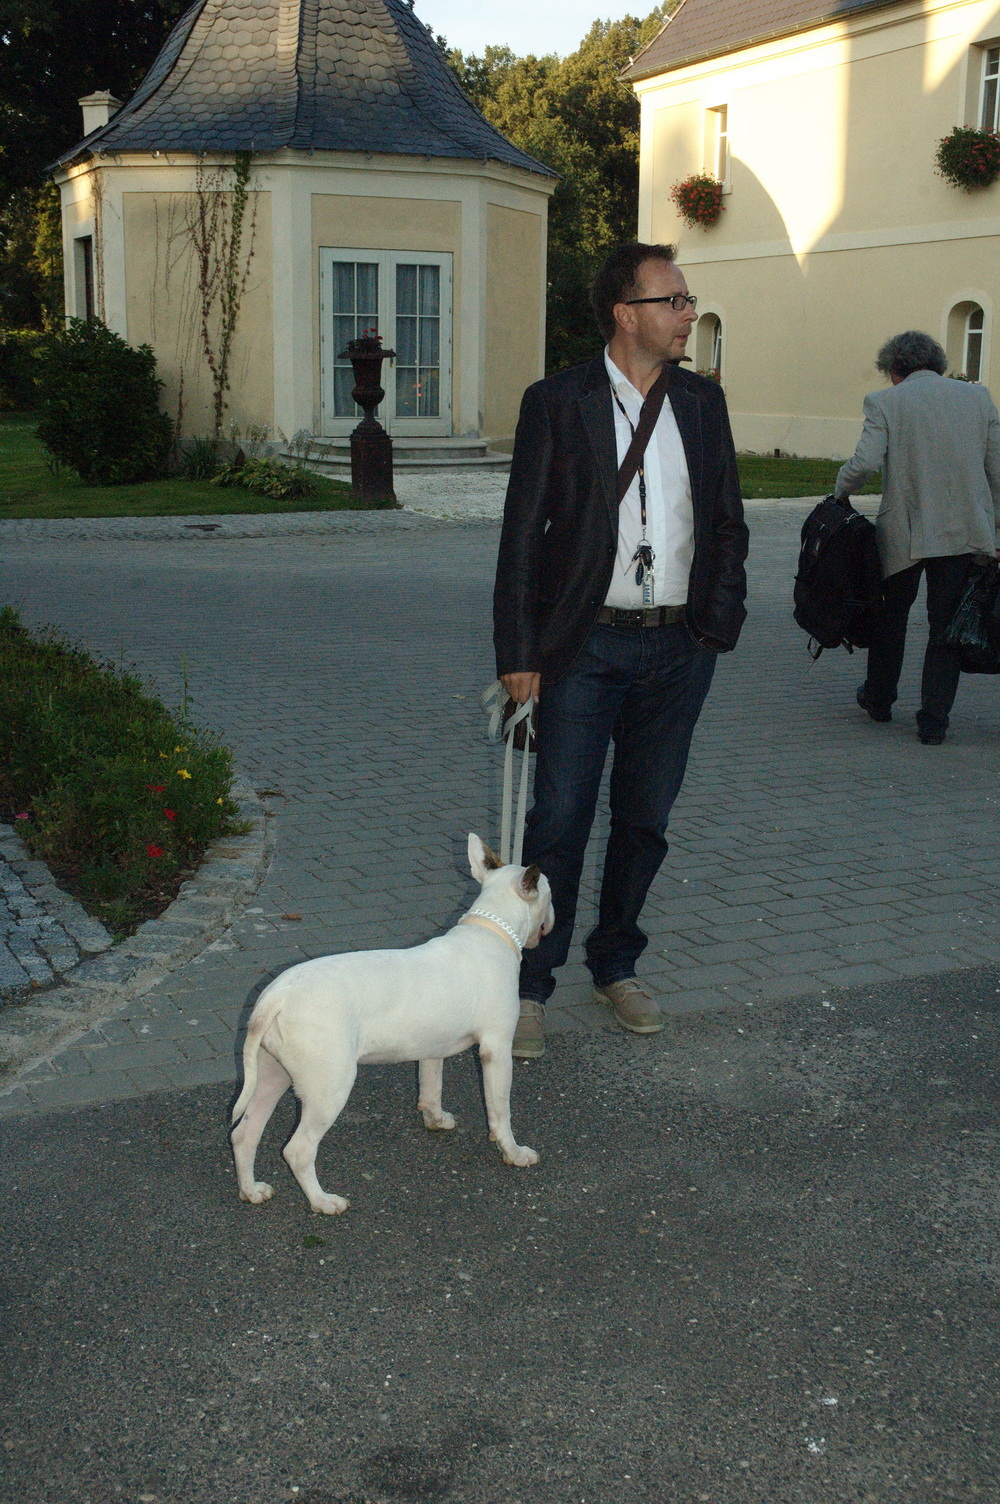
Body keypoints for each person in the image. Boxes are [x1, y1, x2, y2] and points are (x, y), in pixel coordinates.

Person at [492, 241, 749, 1058]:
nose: (688, 314)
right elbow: (521, 536)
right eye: (674, 301)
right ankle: (530, 983)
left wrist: (716, 625)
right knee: (559, 820)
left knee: (645, 819)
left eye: (687, 300)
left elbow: (728, 521)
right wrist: (519, 651)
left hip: (678, 649)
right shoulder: (558, 401)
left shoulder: (702, 403)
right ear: (624, 314)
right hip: (584, 646)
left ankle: (617, 964)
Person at [835, 330, 1000, 744]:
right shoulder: (978, 398)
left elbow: (865, 462)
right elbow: (997, 469)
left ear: (895, 369)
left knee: (891, 617)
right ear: (938, 364)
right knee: (945, 625)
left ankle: (879, 699)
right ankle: (934, 722)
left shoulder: (885, 401)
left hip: (903, 530)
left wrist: (840, 491)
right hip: (962, 529)